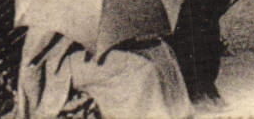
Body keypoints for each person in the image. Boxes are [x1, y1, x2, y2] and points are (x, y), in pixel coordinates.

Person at [17, 27, 192, 119]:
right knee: (140, 69)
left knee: (159, 50)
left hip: (93, 48)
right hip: (61, 65)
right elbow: (33, 57)